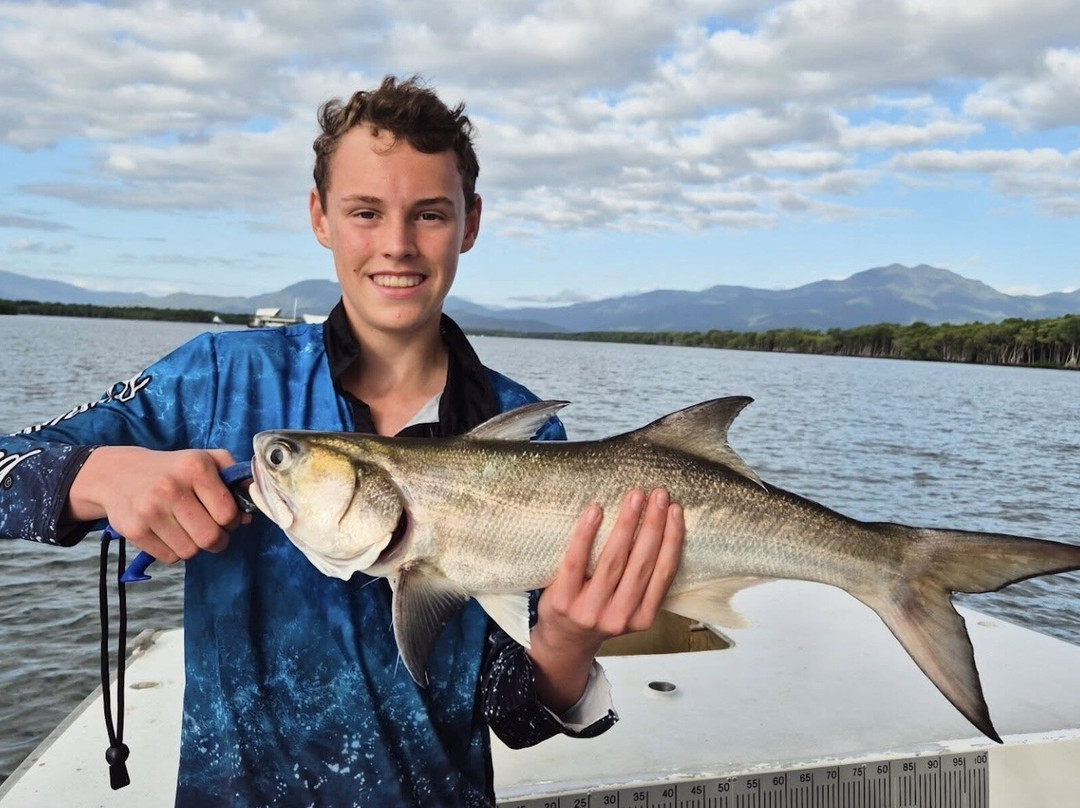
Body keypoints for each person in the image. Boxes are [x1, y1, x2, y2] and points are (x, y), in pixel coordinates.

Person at [0, 75, 684, 807]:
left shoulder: (528, 432)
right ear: (320, 216)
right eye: (365, 211)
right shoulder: (217, 379)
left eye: (429, 214)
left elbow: (510, 714)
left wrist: (570, 644)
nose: (396, 245)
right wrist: (99, 474)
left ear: (470, 223)